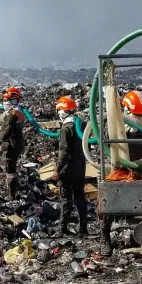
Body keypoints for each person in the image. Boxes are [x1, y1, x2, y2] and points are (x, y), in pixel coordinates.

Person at [55, 95, 90, 236]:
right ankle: (83, 228)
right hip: (80, 167)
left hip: (67, 169)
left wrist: (57, 170)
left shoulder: (66, 129)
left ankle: (62, 229)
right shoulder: (80, 125)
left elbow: (64, 152)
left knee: (66, 200)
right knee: (80, 198)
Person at [0, 86, 27, 199]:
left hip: (12, 144)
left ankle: (12, 194)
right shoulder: (15, 110)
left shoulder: (14, 113)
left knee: (10, 167)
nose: (5, 103)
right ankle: (14, 188)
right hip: (14, 143)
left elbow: (9, 129)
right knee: (11, 166)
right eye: (4, 100)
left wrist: (0, 139)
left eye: (7, 100)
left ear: (13, 100)